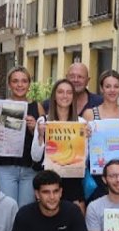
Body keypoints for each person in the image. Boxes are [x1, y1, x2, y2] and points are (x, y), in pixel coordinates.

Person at [31, 78, 89, 212]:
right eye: (61, 92)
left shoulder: (81, 122)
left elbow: (85, 159)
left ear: (73, 97)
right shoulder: (43, 121)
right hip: (49, 181)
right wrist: (40, 135)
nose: (65, 96)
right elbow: (35, 157)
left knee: (73, 221)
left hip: (72, 179)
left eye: (69, 92)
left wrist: (86, 139)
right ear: (54, 96)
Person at [0, 66, 41, 207]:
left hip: (30, 167)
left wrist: (35, 128)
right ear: (9, 84)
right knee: (7, 209)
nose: (20, 85)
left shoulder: (38, 107)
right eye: (15, 81)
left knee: (26, 211)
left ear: (29, 84)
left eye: (24, 81)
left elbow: (43, 139)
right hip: (5, 166)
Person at [83, 70, 119, 202]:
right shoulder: (89, 114)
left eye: (116, 86)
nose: (112, 90)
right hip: (98, 172)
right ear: (101, 88)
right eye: (108, 86)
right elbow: (83, 146)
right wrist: (84, 136)